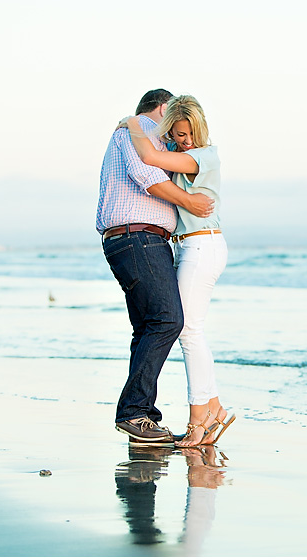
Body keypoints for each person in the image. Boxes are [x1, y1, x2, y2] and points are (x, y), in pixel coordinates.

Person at [96, 89, 215, 444]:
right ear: (163, 109)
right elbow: (146, 173)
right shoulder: (142, 128)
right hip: (138, 238)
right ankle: (134, 412)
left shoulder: (139, 131)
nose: (173, 136)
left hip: (137, 239)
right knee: (168, 320)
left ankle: (142, 418)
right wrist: (189, 201)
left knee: (148, 327)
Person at [121, 94, 235, 448]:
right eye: (178, 134)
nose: (184, 141)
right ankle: (211, 407)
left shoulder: (205, 155)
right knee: (189, 329)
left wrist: (132, 122)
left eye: (188, 133)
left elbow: (150, 157)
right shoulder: (181, 151)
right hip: (188, 244)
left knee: (188, 330)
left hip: (203, 245)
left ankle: (201, 415)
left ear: (200, 128)